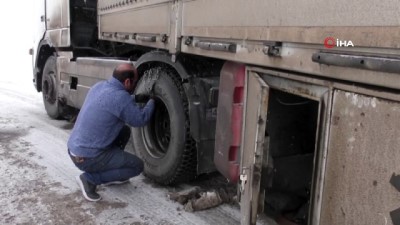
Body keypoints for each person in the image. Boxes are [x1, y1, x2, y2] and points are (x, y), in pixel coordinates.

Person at [67, 63, 155, 201]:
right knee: (137, 166)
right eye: (135, 81)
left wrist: (136, 98)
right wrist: (152, 101)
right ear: (127, 81)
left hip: (74, 150)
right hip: (87, 158)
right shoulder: (121, 98)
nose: (136, 84)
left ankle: (110, 172)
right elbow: (140, 119)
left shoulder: (99, 86)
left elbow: (114, 102)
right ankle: (90, 179)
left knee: (124, 131)